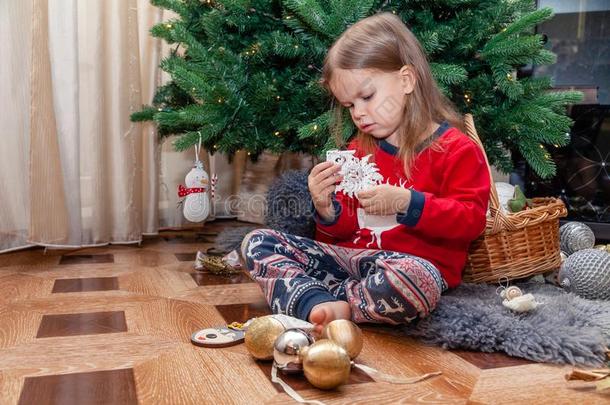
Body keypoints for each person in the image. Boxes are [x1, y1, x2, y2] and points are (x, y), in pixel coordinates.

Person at [241, 12, 490, 334]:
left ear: (406, 80)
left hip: (410, 270)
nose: (358, 113)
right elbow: (343, 232)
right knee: (257, 242)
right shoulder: (357, 150)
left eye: (367, 97)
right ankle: (320, 301)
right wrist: (326, 209)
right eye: (348, 105)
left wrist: (407, 203)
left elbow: (471, 222)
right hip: (352, 263)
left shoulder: (456, 149)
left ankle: (334, 304)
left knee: (413, 281)